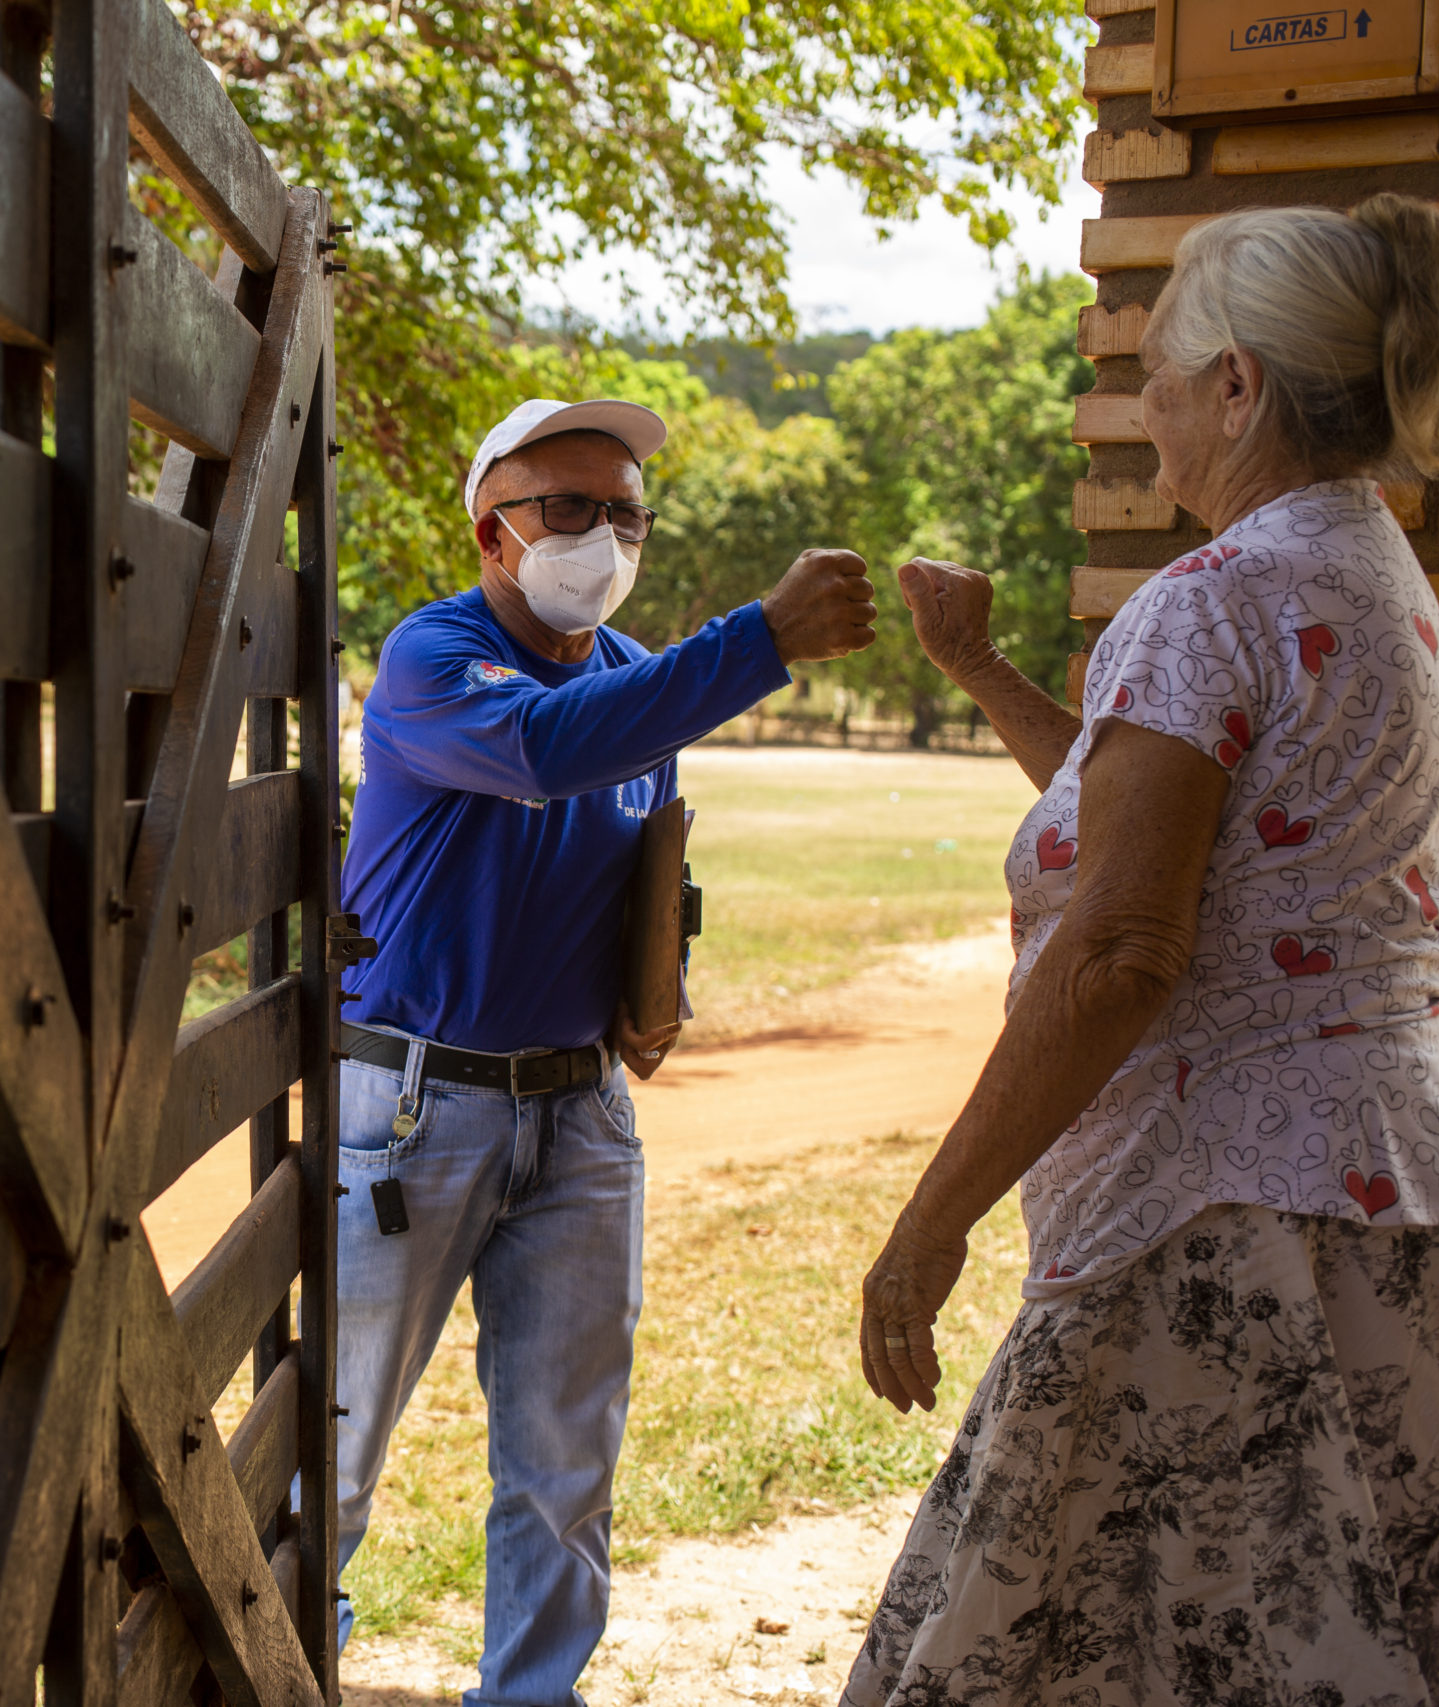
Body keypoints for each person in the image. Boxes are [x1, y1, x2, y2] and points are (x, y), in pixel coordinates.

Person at [846, 193, 1439, 1706]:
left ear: (1241, 385)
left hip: (1213, 1217)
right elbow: (1158, 825)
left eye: (1161, 376)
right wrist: (982, 668)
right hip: (1397, 1180)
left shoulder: (1209, 600)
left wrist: (927, 1231)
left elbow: (1127, 940)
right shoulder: (1370, 576)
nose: (1141, 415)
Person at [334, 396, 877, 1707]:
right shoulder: (432, 658)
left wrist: (655, 986)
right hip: (414, 1105)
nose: (601, 533)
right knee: (332, 1441)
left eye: (623, 512)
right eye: (567, 508)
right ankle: (268, 1663)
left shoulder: (634, 676)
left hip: (576, 1118)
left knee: (566, 1466)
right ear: (493, 533)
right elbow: (542, 756)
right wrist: (759, 639)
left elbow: (633, 860)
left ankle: (532, 1695)